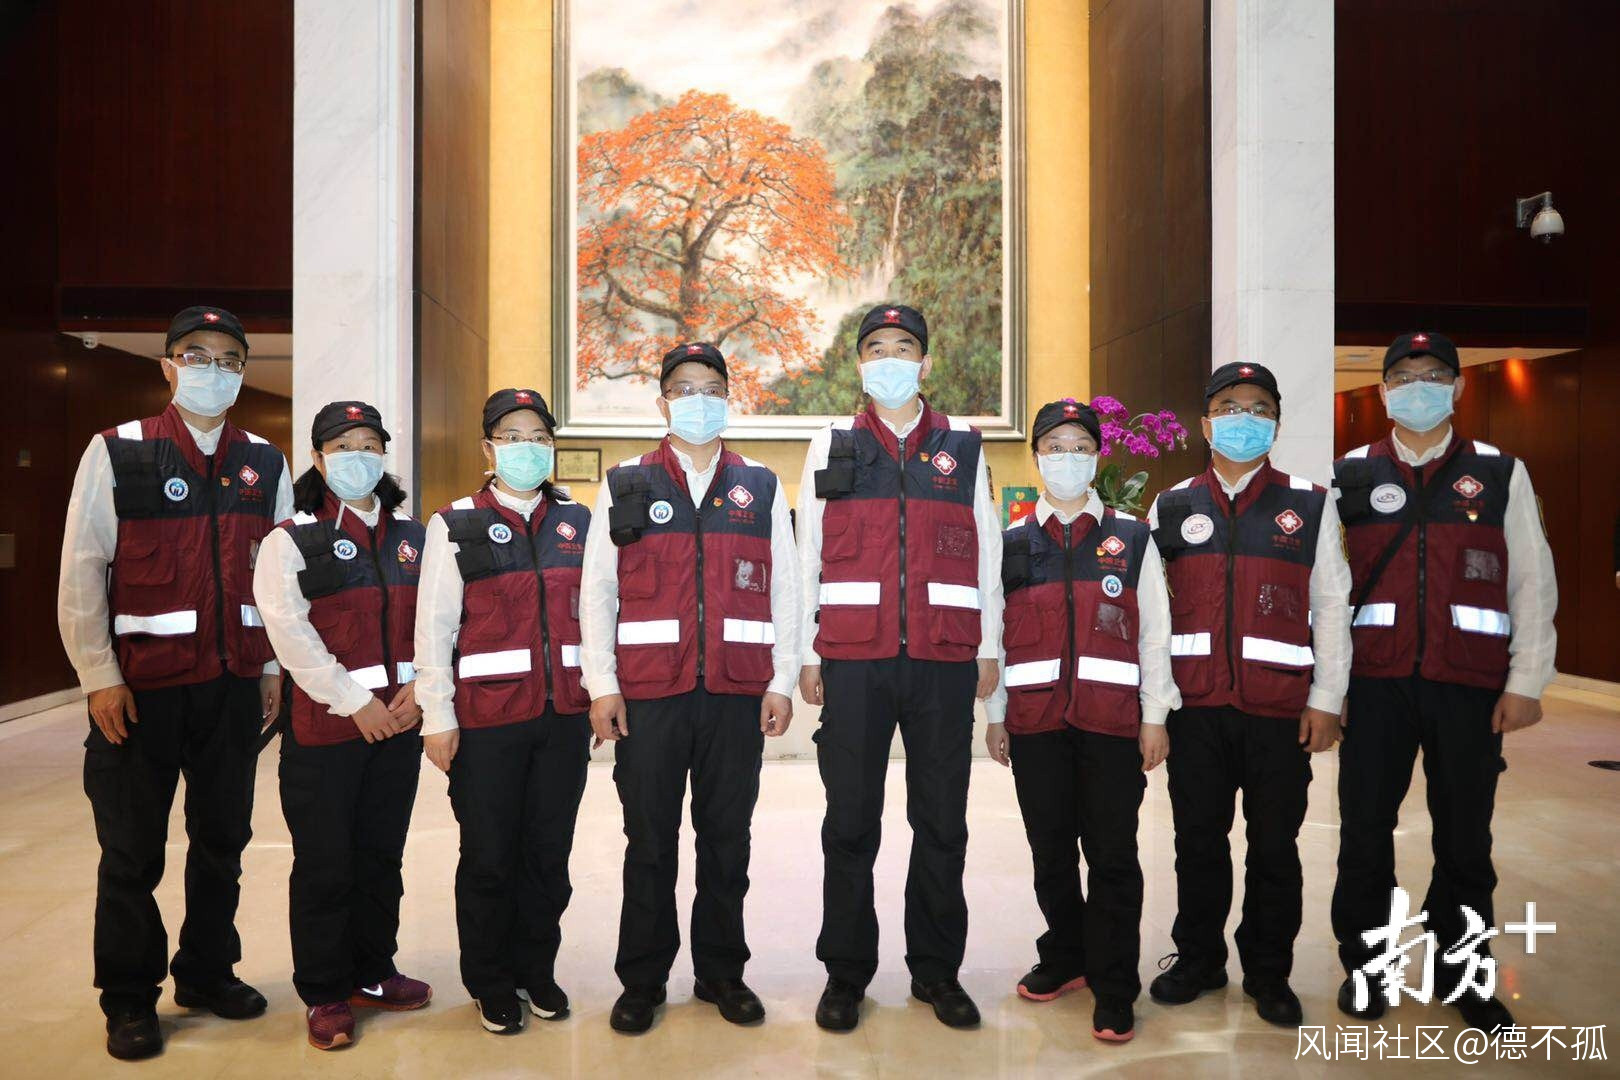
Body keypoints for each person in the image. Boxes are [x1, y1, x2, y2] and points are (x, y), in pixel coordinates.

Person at [58, 305, 292, 1060]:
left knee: (222, 840)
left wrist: (269, 666)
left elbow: (278, 581)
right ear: (167, 366)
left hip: (230, 687)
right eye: (196, 355)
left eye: (229, 359)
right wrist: (99, 675)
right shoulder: (117, 451)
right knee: (132, 852)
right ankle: (129, 997)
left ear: (243, 373)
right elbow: (83, 569)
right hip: (141, 692)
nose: (212, 370)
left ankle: (207, 972)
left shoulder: (265, 462)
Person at [1330, 332, 1556, 1033]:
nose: (1417, 386)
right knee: (1365, 833)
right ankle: (1367, 969)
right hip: (1375, 683)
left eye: (1432, 374)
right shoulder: (1350, 475)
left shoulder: (1499, 472)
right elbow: (1327, 590)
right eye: (1403, 376)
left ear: (1457, 386)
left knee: (1464, 839)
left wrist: (1527, 679)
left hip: (1468, 684)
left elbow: (1532, 579)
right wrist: (1329, 689)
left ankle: (1463, 974)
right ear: (1383, 390)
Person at [580, 342, 799, 1034]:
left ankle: (722, 972)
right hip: (650, 694)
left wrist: (782, 678)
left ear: (728, 400)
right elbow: (597, 592)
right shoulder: (625, 483)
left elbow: (787, 588)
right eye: (684, 389)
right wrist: (602, 684)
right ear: (662, 402)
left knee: (726, 840)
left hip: (736, 691)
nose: (698, 401)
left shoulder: (761, 485)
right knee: (649, 841)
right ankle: (642, 980)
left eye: (711, 389)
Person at [797, 303, 1003, 1032]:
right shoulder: (830, 443)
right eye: (876, 347)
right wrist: (808, 653)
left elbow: (987, 552)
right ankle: (845, 974)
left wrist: (989, 646)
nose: (890, 358)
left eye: (904, 346)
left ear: (925, 362)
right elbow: (808, 553)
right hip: (854, 660)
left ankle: (937, 972)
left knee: (942, 822)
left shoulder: (964, 446)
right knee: (850, 823)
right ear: (860, 364)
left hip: (943, 659)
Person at [1143, 362, 1350, 1028]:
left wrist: (1327, 698)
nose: (1244, 419)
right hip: (1196, 708)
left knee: (1274, 847)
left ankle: (1268, 972)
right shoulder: (1172, 505)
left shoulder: (1309, 504)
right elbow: (1150, 615)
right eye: (1229, 407)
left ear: (1277, 424)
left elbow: (1331, 604)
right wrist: (1154, 706)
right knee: (1197, 842)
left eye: (1259, 408)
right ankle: (1199, 959)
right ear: (1206, 425)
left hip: (1279, 711)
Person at [983, 399, 1177, 1043]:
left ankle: (1115, 983)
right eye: (1055, 447)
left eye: (1080, 447)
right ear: (1036, 456)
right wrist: (996, 716)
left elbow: (1154, 634)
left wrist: (1155, 715)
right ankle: (1066, 954)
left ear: (1098, 457)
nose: (1067, 458)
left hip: (1112, 724)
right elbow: (996, 640)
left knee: (1113, 854)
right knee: (1051, 851)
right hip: (1035, 724)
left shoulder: (1133, 537)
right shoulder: (1011, 543)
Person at [251, 401, 431, 1050]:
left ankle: (374, 971)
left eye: (369, 445)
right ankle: (325, 991)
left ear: (384, 455)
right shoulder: (291, 539)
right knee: (326, 863)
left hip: (400, 725)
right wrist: (354, 700)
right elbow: (290, 633)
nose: (358, 456)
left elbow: (440, 622)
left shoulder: (415, 536)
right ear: (319, 457)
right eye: (343, 445)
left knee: (381, 857)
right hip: (327, 731)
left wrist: (422, 689)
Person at [414, 389, 593, 1035]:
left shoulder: (579, 521)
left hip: (563, 716)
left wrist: (600, 691)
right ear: (488, 449)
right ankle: (490, 980)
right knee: (490, 855)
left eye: (539, 436)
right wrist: (437, 717)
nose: (527, 448)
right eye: (513, 436)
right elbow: (433, 629)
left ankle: (535, 971)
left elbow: (599, 614)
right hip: (487, 722)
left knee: (548, 854)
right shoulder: (454, 523)